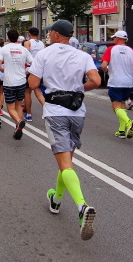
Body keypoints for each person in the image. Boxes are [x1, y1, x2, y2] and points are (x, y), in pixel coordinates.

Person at [27, 19, 101, 241]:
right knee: (66, 161)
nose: (49, 35)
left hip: (55, 111)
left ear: (57, 34)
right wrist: (79, 89)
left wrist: (45, 94)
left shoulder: (44, 54)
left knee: (65, 164)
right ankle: (56, 201)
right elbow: (96, 80)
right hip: (77, 112)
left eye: (51, 33)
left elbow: (33, 84)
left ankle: (82, 207)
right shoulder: (82, 55)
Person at [100, 31, 133, 139]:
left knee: (116, 106)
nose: (113, 39)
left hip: (115, 81)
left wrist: (107, 71)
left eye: (114, 38)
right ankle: (121, 131)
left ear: (117, 38)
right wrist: (130, 73)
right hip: (128, 82)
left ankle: (129, 122)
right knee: (122, 105)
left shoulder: (111, 49)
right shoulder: (132, 51)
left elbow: (103, 66)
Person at [0, 29, 34, 139]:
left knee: (10, 108)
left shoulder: (4, 49)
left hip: (9, 82)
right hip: (21, 81)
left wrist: (5, 71)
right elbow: (34, 64)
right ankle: (18, 128)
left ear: (8, 38)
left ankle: (18, 121)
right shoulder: (24, 50)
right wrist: (26, 72)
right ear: (18, 38)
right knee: (19, 105)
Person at [23, 27, 46, 122]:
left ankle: (28, 114)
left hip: (30, 69)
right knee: (38, 91)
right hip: (40, 69)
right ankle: (48, 111)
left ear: (29, 34)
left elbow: (25, 54)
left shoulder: (28, 42)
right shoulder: (42, 44)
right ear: (38, 34)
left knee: (27, 92)